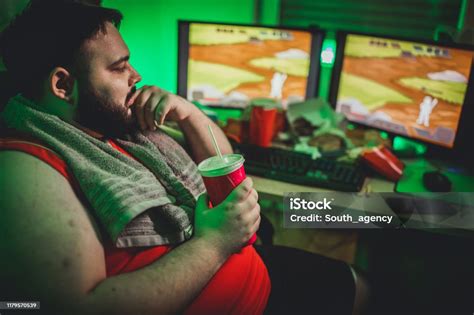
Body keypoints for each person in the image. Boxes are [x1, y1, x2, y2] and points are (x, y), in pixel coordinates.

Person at [0, 1, 365, 314]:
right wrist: (216, 242)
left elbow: (228, 165)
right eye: (118, 67)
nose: (135, 76)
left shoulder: (112, 123)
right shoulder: (26, 167)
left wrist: (190, 115)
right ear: (62, 85)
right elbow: (82, 309)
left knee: (356, 284)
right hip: (244, 292)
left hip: (254, 266)